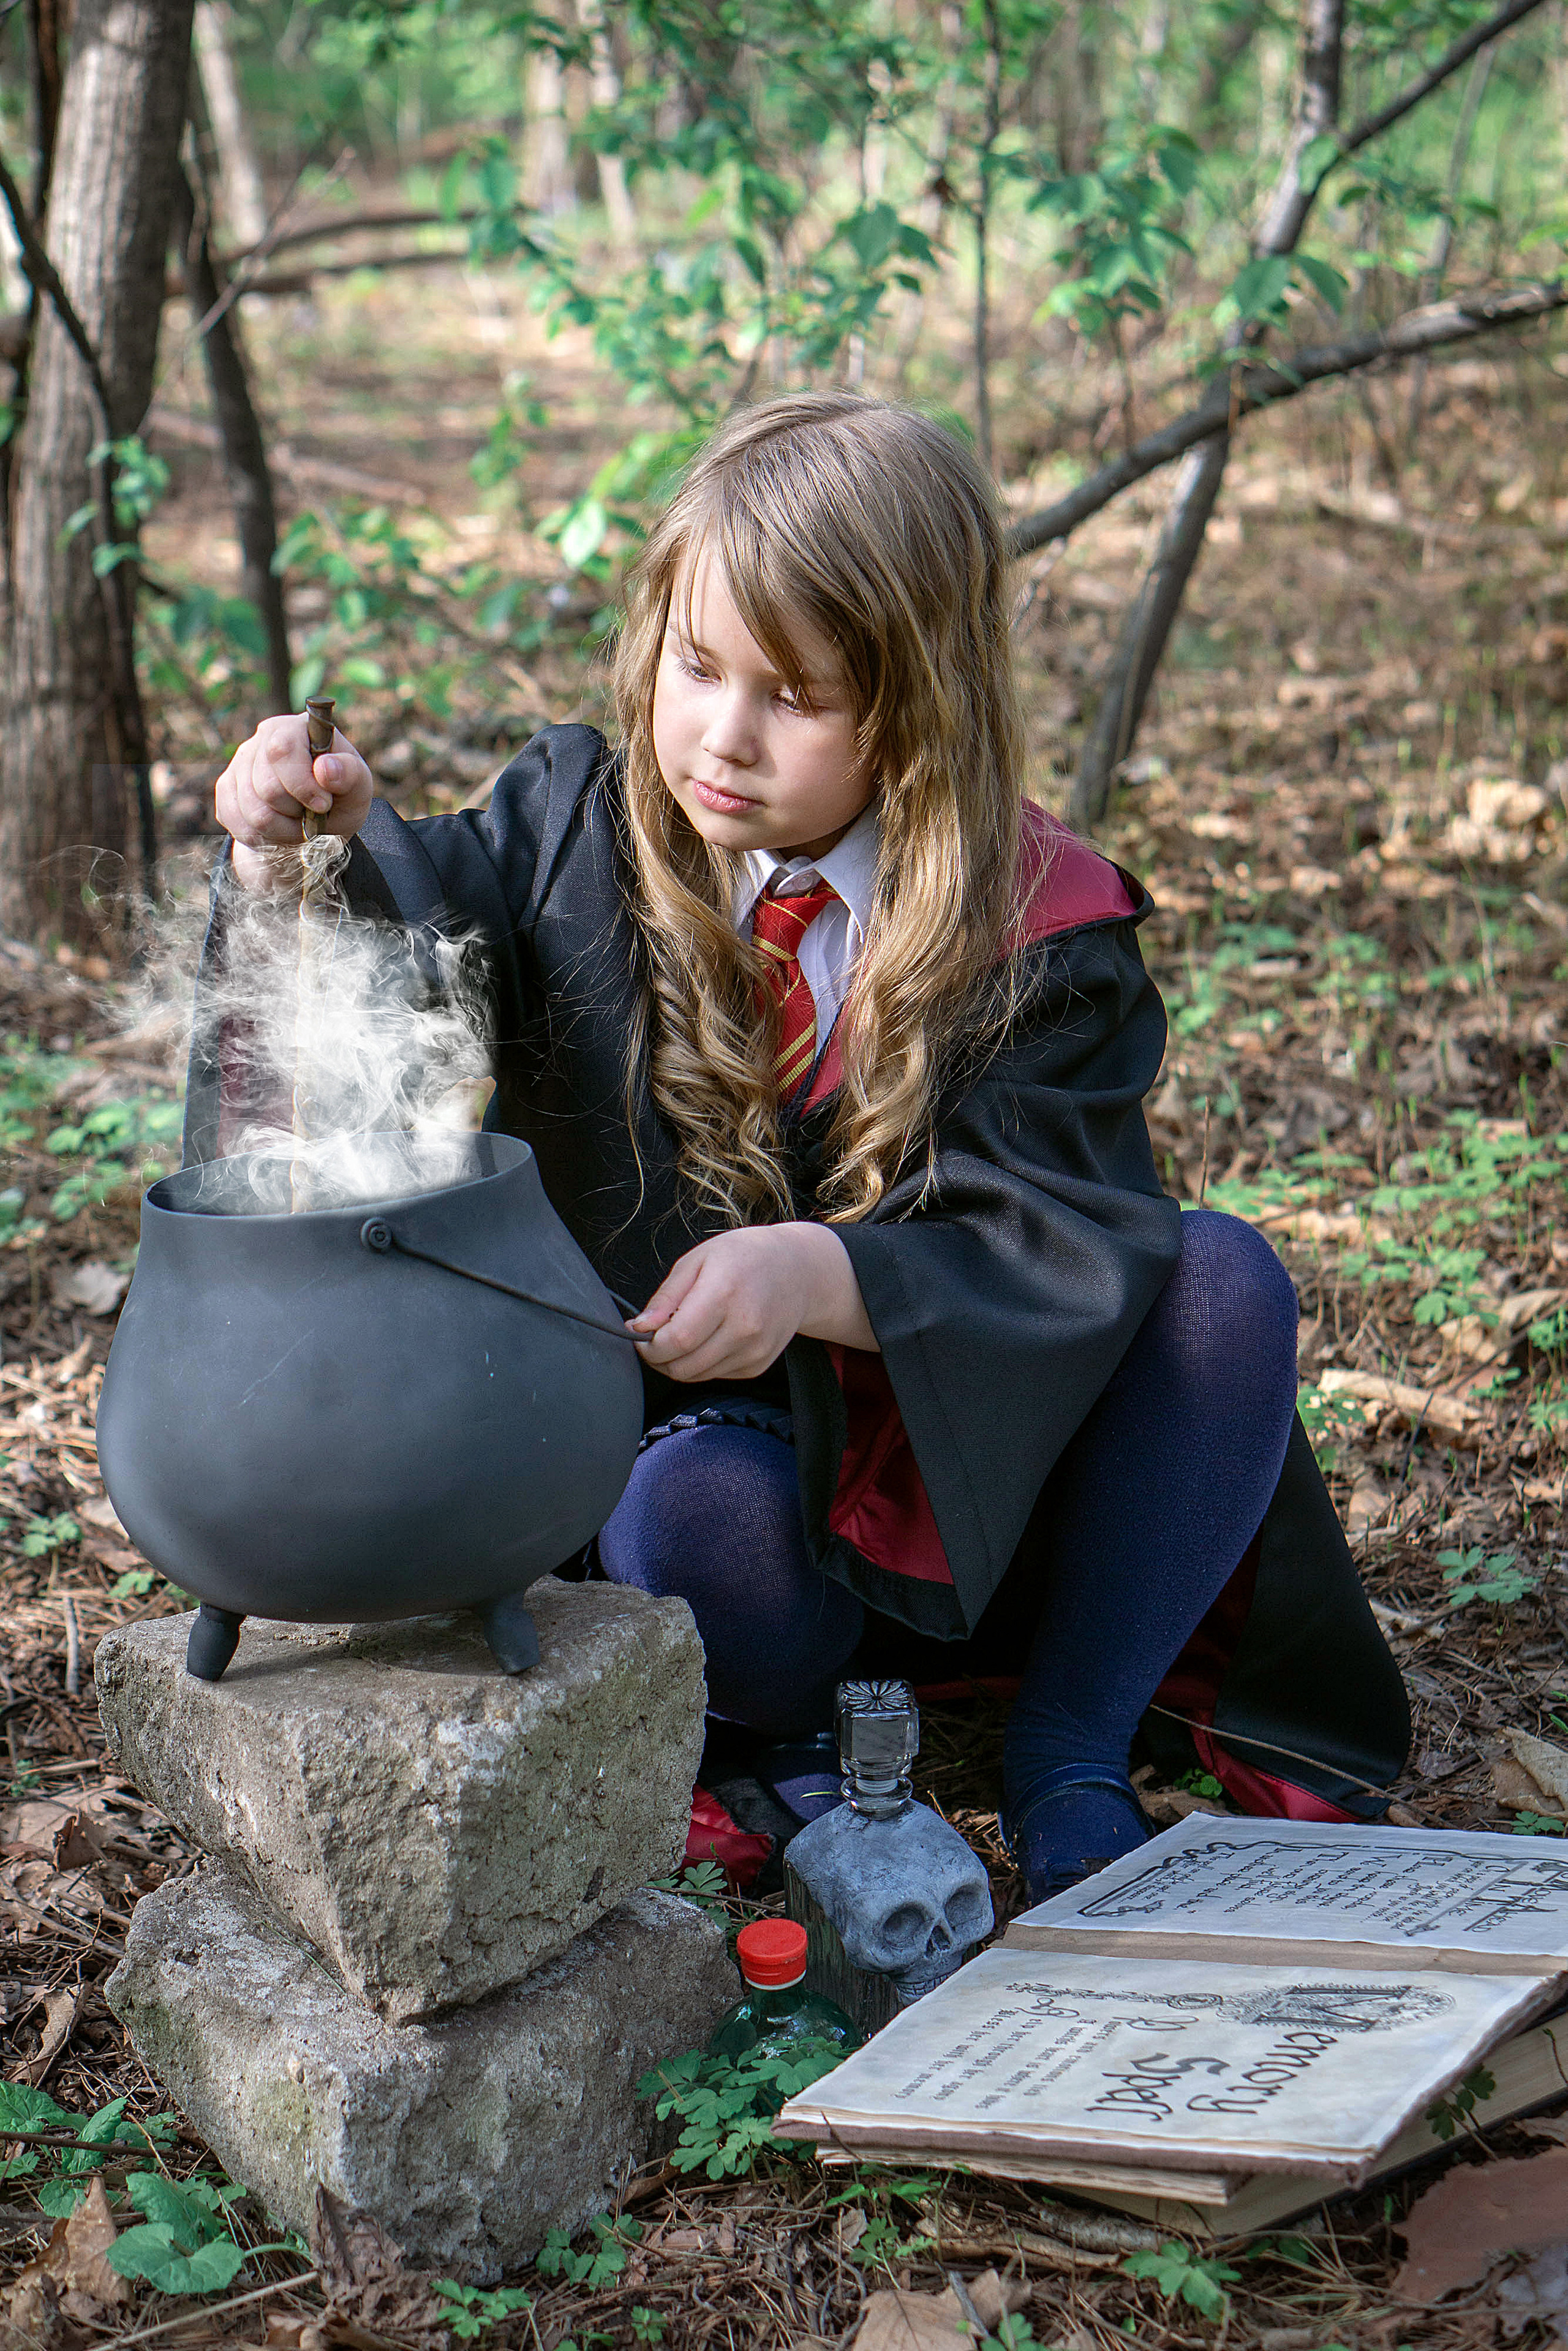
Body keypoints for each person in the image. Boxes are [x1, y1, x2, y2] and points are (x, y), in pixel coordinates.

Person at [203, 391, 1408, 1904]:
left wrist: (826, 1271)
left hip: (1008, 1511)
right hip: (747, 1515)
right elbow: (405, 959)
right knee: (691, 1510)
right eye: (697, 667)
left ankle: (1068, 1752)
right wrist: (294, 845)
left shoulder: (1029, 925)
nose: (723, 734)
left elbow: (1064, 1242)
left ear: (913, 704)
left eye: (795, 694)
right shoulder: (580, 827)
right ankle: (785, 1740)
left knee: (1220, 1281)